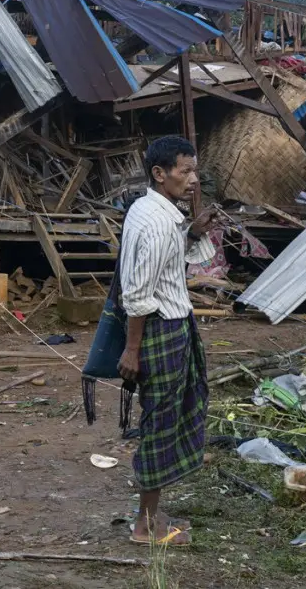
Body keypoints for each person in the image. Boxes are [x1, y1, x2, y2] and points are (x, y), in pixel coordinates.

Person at [117, 135, 220, 546]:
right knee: (160, 425)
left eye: (194, 170)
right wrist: (132, 348)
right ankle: (145, 527)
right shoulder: (159, 223)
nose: (193, 179)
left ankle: (151, 515)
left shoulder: (149, 210)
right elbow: (139, 295)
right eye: (185, 171)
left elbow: (160, 266)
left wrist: (191, 232)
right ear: (160, 174)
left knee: (161, 420)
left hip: (166, 327)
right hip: (162, 330)